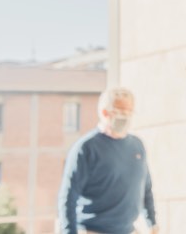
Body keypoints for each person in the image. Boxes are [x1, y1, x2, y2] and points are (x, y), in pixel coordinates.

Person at [59, 87, 159, 234]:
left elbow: (146, 188)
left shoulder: (137, 145)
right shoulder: (86, 148)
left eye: (129, 112)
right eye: (121, 112)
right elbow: (68, 196)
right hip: (93, 230)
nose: (126, 117)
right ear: (105, 113)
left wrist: (152, 223)